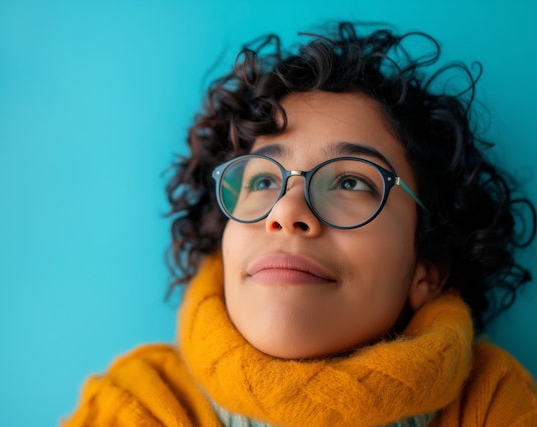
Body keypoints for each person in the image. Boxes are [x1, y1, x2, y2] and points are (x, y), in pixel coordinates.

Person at [64, 22, 537, 426]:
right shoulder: (134, 405)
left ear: (427, 268)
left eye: (351, 182)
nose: (286, 212)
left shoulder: (494, 404)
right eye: (263, 180)